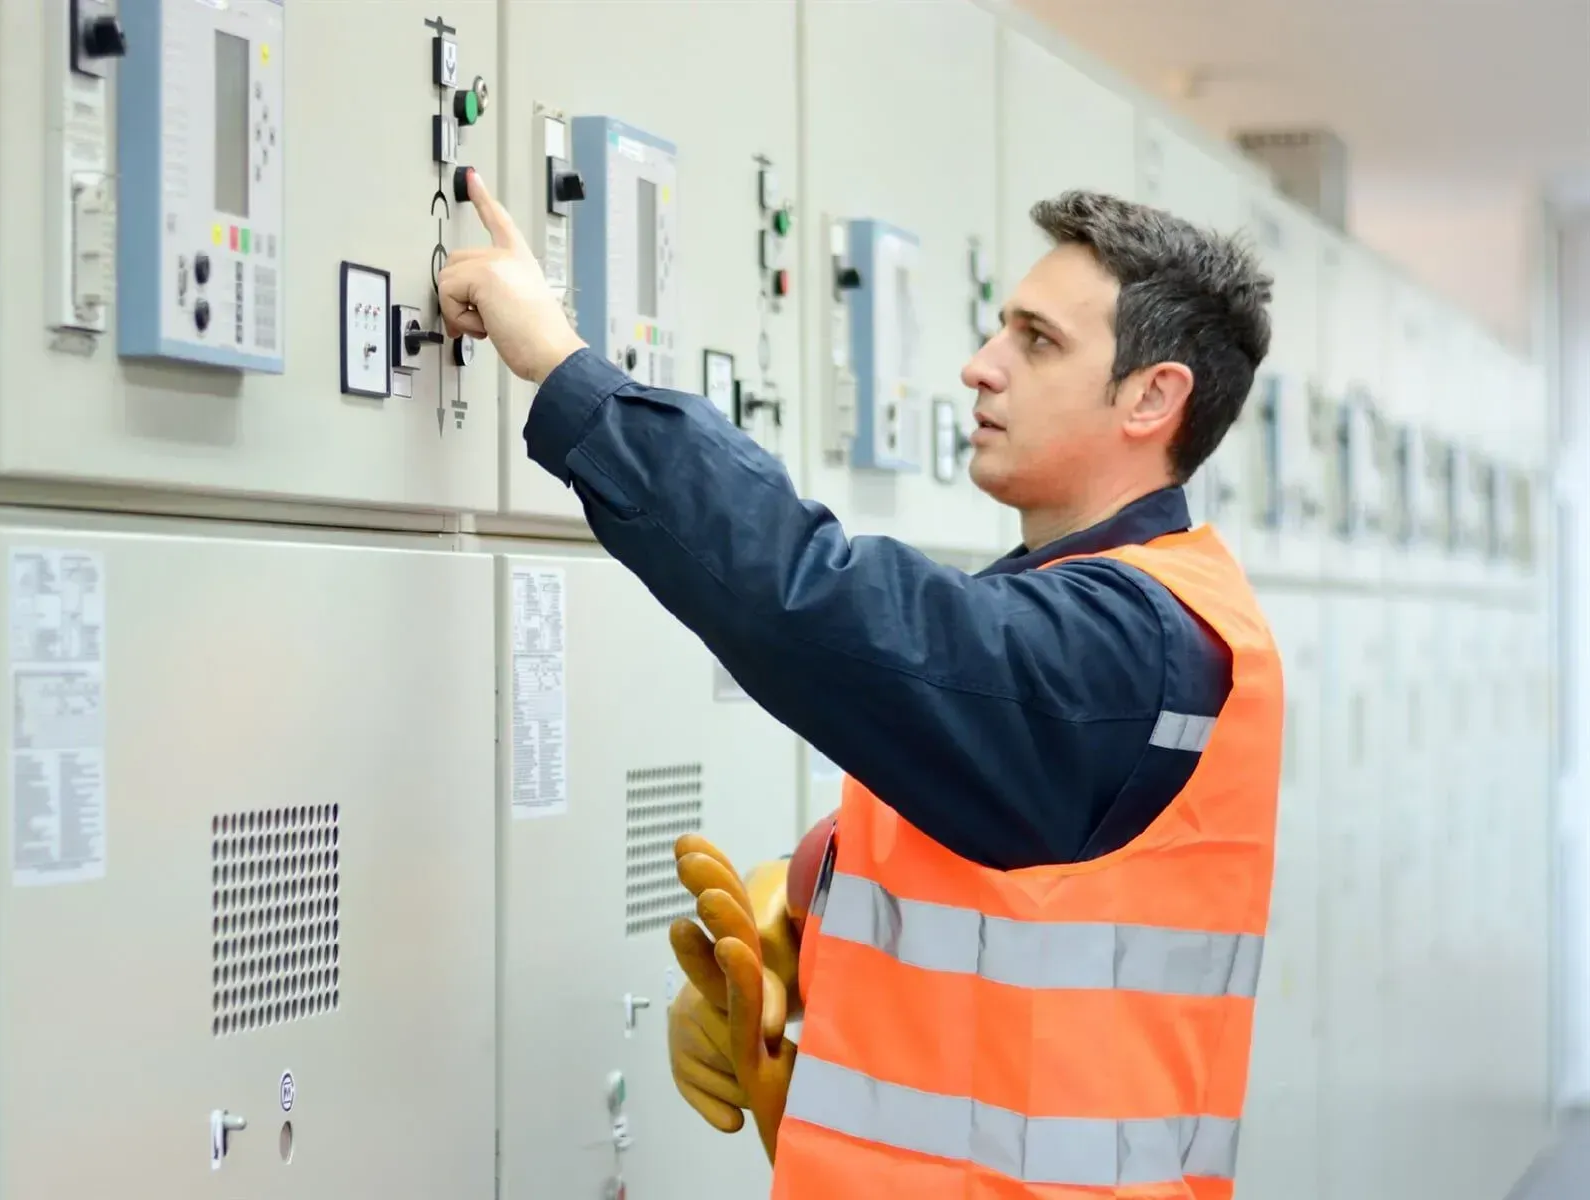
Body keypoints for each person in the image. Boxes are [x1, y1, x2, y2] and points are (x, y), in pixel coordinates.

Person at [439, 168, 1284, 1197]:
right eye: (998, 330)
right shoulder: (1087, 618)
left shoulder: (1141, 642)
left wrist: (568, 371)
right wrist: (813, 949)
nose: (980, 367)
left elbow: (816, 602)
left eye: (1037, 341)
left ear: (1153, 397)